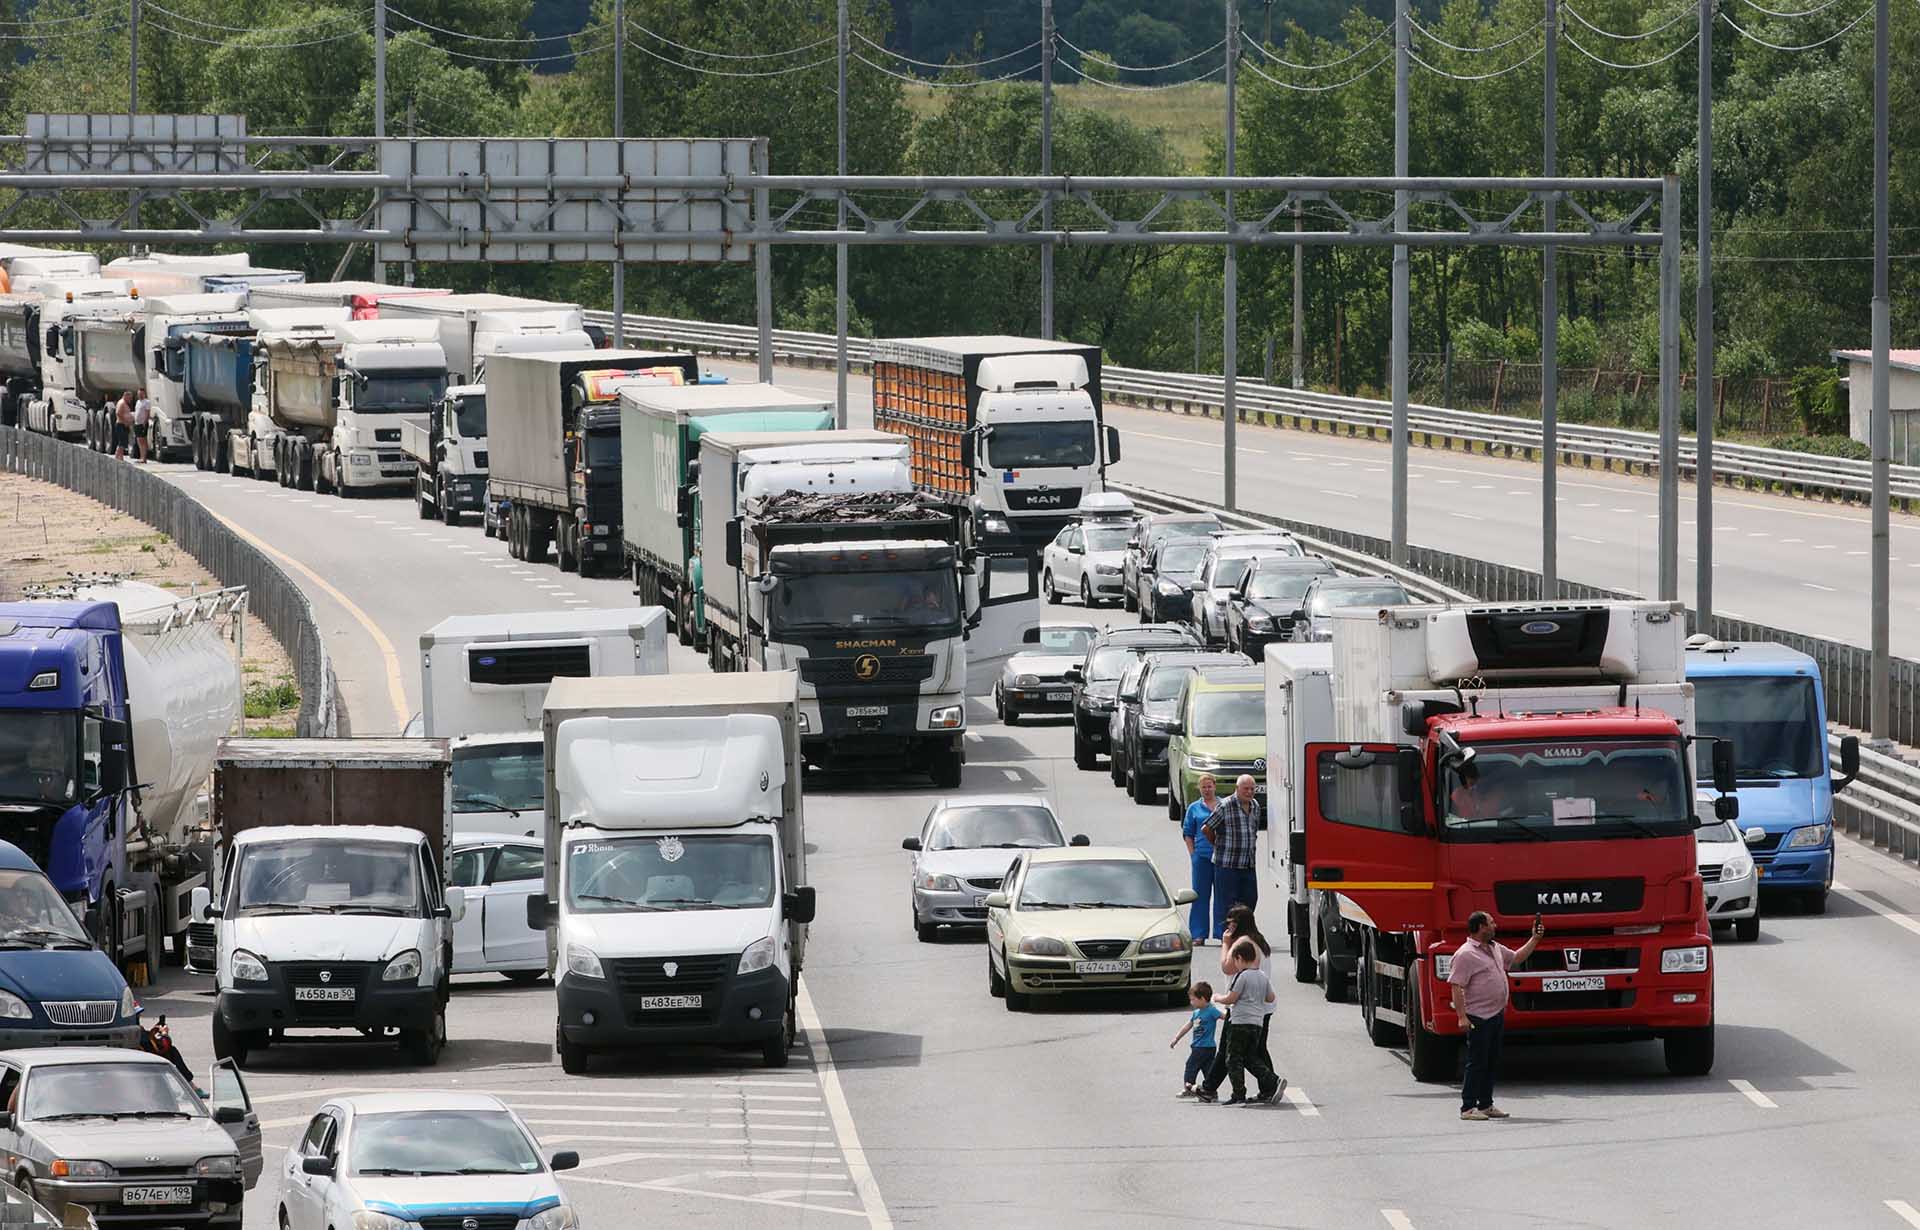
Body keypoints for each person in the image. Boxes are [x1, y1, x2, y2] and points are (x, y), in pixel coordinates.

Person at [1448, 909, 1544, 1121]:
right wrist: (1462, 1016)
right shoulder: (1465, 954)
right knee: (1477, 1061)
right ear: (1481, 927)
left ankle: (1486, 1104)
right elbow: (1456, 986)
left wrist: (1535, 939)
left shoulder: (1495, 948)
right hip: (1478, 1016)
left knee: (1491, 1060)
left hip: (1496, 1014)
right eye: (1491, 923)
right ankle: (1468, 1107)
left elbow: (1517, 957)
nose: (1495, 926)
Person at [1197, 939, 1281, 1106]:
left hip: (1240, 1022)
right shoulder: (1262, 976)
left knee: (1232, 1058)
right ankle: (1273, 1081)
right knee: (1250, 1057)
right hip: (1257, 1023)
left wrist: (1218, 998)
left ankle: (1239, 1094)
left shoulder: (1242, 976)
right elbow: (1270, 997)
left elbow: (1232, 998)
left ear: (1240, 958)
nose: (1235, 965)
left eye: (1235, 960)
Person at [1203, 774, 1263, 939]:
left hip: (1248, 864)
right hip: (1227, 865)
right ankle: (1229, 937)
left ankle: (1244, 933)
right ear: (1237, 789)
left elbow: (1254, 830)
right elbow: (1206, 828)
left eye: (1252, 789)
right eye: (1246, 789)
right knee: (1228, 905)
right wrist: (1217, 844)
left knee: (1251, 900)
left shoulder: (1255, 806)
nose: (1249, 792)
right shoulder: (1225, 805)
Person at [1181, 774, 1221, 942]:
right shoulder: (1194, 808)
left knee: (1222, 896)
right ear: (1199, 788)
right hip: (1202, 857)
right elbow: (1188, 833)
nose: (1207, 790)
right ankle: (1198, 934)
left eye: (1209, 786)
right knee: (1199, 896)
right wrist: (1193, 855)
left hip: (1222, 858)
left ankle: (1222, 933)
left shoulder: (1223, 805)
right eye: (1203, 787)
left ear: (1214, 787)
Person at [1168, 980, 1221, 1098]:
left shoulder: (1211, 1010)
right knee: (1207, 1069)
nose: (1191, 1002)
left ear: (1202, 999)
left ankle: (1188, 1087)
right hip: (1202, 1047)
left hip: (1203, 1047)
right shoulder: (1196, 1012)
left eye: (1193, 1000)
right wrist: (1177, 1038)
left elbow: (1224, 1017)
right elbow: (1187, 1026)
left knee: (1191, 1065)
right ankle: (1211, 1090)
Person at [111, 391, 133, 460]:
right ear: (125, 396)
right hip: (121, 425)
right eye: (129, 398)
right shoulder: (122, 403)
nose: (130, 399)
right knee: (121, 443)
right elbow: (118, 413)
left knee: (123, 443)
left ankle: (120, 457)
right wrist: (125, 421)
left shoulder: (124, 403)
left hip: (123, 425)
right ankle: (117, 457)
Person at [132, 392, 152, 463]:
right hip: (137, 424)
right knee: (139, 441)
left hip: (142, 424)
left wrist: (144, 423)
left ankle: (144, 458)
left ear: (144, 394)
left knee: (143, 440)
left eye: (141, 394)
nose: (139, 395)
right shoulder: (138, 401)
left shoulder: (146, 402)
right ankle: (141, 457)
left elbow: (147, 413)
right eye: (138, 394)